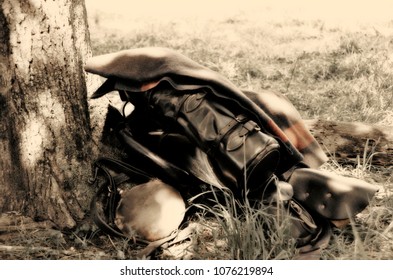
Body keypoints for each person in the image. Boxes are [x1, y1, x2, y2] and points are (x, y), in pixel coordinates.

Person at [85, 47, 378, 259]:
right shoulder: (181, 83)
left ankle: (298, 211)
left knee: (254, 177)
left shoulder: (174, 96)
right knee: (257, 166)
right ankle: (304, 194)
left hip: (239, 153)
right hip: (241, 143)